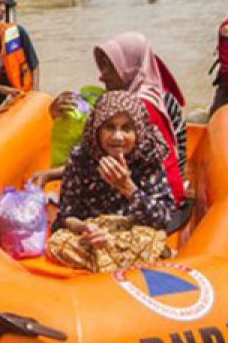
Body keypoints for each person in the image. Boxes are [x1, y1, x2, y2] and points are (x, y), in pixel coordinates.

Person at [39, 33, 187, 206]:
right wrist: (58, 113)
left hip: (156, 195)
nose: (102, 76)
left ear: (129, 68)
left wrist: (50, 174)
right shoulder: (146, 93)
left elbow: (110, 159)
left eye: (110, 68)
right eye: (102, 68)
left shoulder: (140, 106)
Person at [53, 91, 176, 235]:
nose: (117, 137)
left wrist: (128, 187)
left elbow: (164, 219)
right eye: (110, 127)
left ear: (138, 132)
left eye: (126, 128)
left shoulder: (148, 158)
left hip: (134, 239)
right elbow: (66, 214)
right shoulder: (81, 157)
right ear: (97, 129)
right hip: (90, 236)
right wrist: (86, 229)